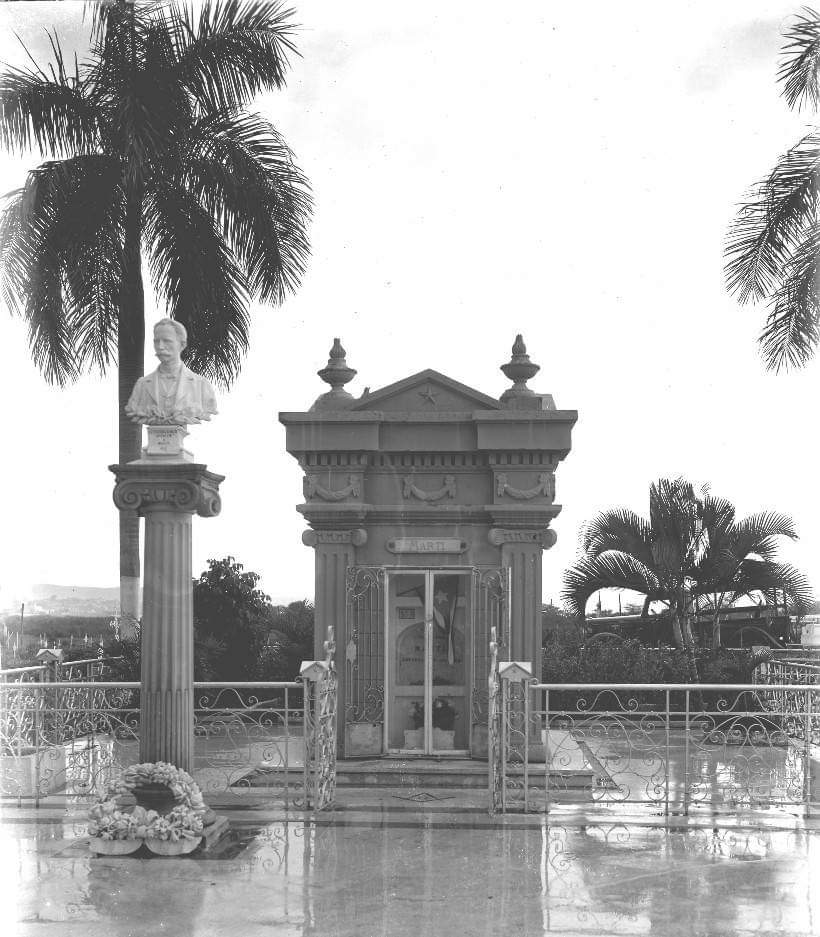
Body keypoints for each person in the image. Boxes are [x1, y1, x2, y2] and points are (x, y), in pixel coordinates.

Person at [125, 319, 218, 425]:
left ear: (182, 345)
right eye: (156, 341)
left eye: (167, 341)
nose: (160, 347)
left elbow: (208, 409)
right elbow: (132, 410)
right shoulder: (142, 385)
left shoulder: (201, 385)